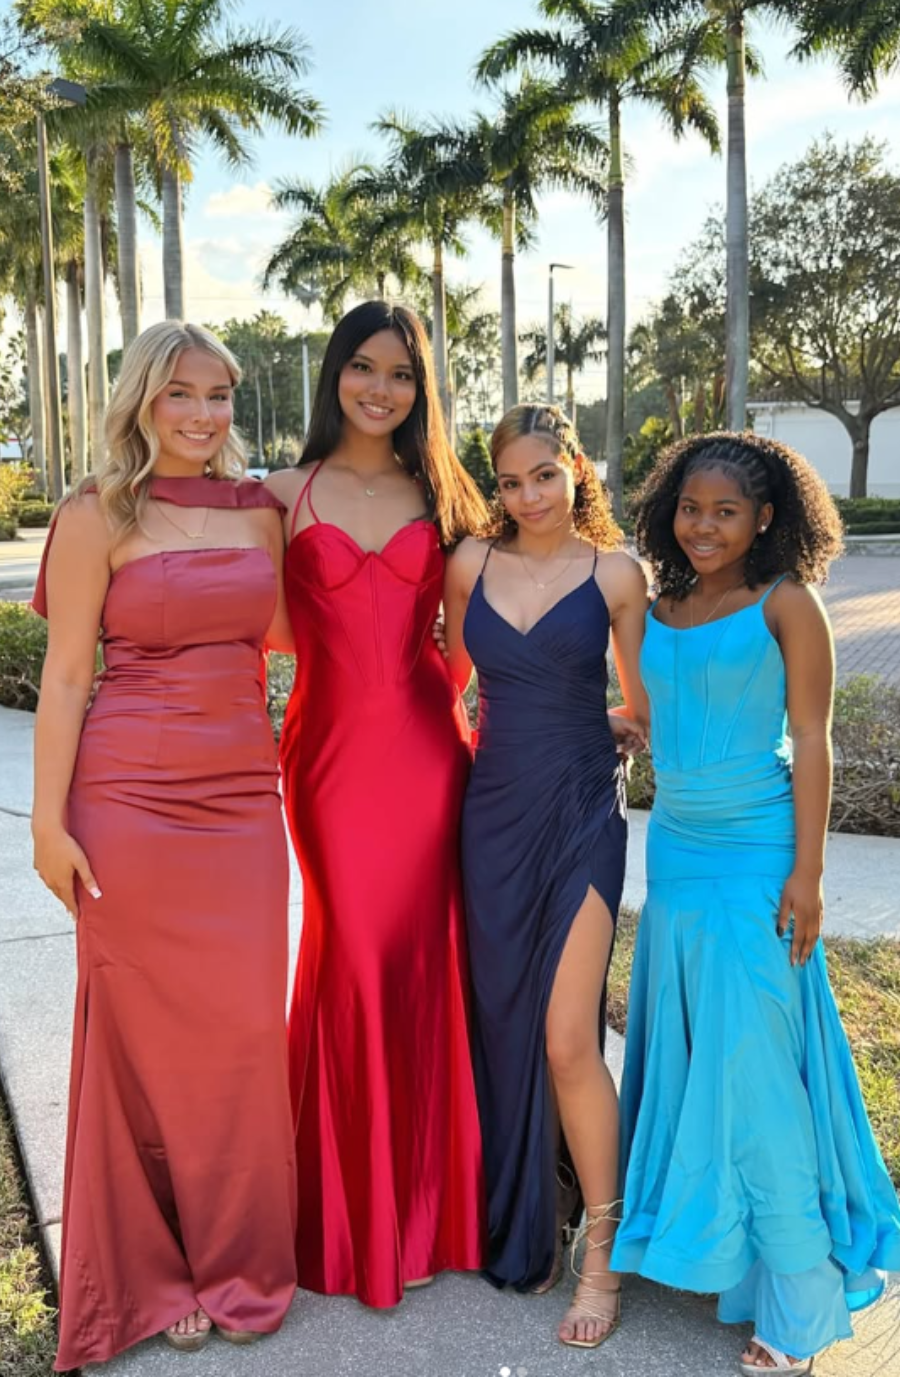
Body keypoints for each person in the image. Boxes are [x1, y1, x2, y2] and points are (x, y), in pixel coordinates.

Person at [32, 322, 298, 1368]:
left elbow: (285, 640)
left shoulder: (262, 513)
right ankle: (153, 1268)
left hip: (241, 801)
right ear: (142, 400)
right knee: (142, 1039)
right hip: (128, 800)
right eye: (179, 395)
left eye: (219, 396)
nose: (200, 416)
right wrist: (48, 827)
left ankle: (235, 1255)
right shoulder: (96, 514)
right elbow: (64, 677)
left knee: (238, 1037)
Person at [612, 431, 900, 1375]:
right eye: (690, 508)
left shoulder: (789, 603)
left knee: (758, 1071)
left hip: (758, 852)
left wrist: (809, 874)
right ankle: (733, 1260)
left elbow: (812, 740)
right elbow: (655, 714)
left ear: (765, 516)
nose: (703, 525)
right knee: (706, 1059)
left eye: (725, 511)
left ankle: (802, 1294)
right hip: (679, 854)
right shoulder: (660, 604)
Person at [265, 301, 486, 1308]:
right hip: (324, 759)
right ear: (335, 375)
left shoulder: (443, 496)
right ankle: (343, 1218)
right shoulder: (278, 494)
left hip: (427, 753)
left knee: (420, 961)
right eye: (363, 366)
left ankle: (430, 1211)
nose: (381, 387)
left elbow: (474, 639)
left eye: (401, 372)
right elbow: (257, 628)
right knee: (348, 954)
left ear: (420, 389)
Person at [441, 403, 649, 1349]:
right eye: (510, 481)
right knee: (502, 1028)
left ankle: (600, 1255)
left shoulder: (615, 574)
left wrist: (594, 730)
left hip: (579, 822)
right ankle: (531, 1208)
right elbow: (450, 683)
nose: (528, 496)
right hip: (489, 820)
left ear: (577, 467)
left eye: (544, 475)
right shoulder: (470, 566)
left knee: (570, 1038)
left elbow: (639, 706)